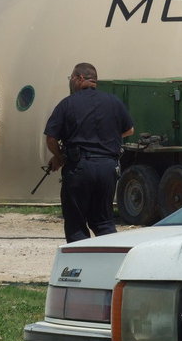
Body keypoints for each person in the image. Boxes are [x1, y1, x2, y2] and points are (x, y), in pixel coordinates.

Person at [44, 62, 134, 242]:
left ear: (79, 78)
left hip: (80, 168)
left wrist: (59, 157)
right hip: (108, 168)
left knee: (76, 224)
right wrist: (108, 138)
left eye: (71, 78)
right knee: (104, 222)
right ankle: (111, 256)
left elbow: (51, 138)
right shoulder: (113, 102)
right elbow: (130, 130)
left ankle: (80, 259)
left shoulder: (68, 103)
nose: (70, 82)